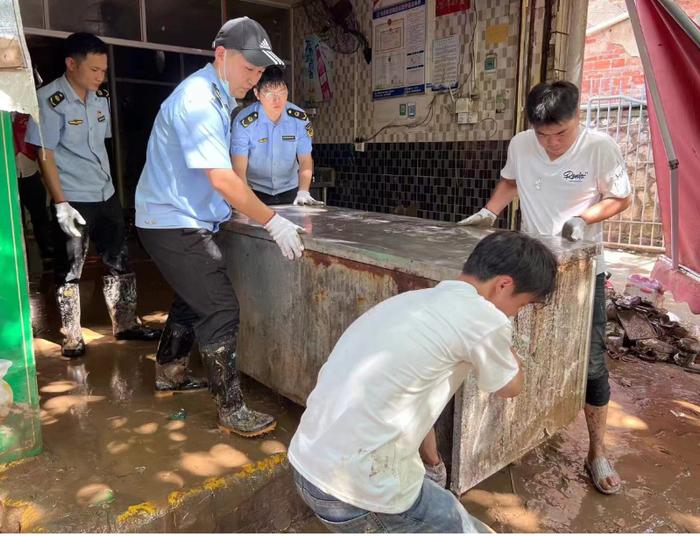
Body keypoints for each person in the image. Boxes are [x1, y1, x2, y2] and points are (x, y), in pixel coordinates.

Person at [288, 231, 559, 533]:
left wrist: (432, 464)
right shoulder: (484, 319)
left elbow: (413, 399)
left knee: (448, 510)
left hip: (307, 466)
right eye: (521, 305)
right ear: (503, 285)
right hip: (357, 491)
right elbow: (511, 387)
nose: (514, 313)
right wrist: (506, 345)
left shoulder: (412, 302)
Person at [458, 81, 632, 495]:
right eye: (543, 135)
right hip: (529, 269)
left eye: (561, 135)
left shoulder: (599, 147)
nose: (551, 145)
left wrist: (585, 219)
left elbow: (621, 197)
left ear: (578, 120)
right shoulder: (521, 144)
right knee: (519, 350)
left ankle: (597, 452)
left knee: (590, 363)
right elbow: (511, 182)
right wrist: (488, 211)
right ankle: (519, 436)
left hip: (583, 271)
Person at [134, 17, 304, 437]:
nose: (255, 78)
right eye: (249, 68)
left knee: (193, 298)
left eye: (261, 71)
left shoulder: (219, 95)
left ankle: (170, 370)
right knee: (220, 307)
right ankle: (231, 408)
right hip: (172, 221)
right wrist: (272, 221)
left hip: (180, 216)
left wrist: (233, 210)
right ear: (221, 55)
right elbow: (222, 177)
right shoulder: (198, 99)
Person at [26, 32, 160, 358]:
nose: (101, 77)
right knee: (71, 267)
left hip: (105, 192)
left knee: (119, 259)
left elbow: (100, 146)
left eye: (103, 70)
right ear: (71, 65)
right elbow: (46, 156)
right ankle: (71, 335)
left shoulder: (101, 98)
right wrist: (60, 204)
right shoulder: (48, 100)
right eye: (94, 71)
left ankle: (125, 323)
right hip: (73, 197)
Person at [231, 65, 321, 206]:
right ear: (257, 93)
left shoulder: (299, 119)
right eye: (269, 93)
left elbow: (305, 159)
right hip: (255, 191)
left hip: (291, 190)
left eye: (281, 92)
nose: (277, 100)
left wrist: (303, 191)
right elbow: (239, 167)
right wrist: (245, 199)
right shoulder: (244, 122)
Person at [12, 111, 54, 264]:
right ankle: (16, 255)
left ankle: (47, 249)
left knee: (39, 214)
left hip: (30, 172)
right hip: (7, 176)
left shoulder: (25, 113)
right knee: (13, 218)